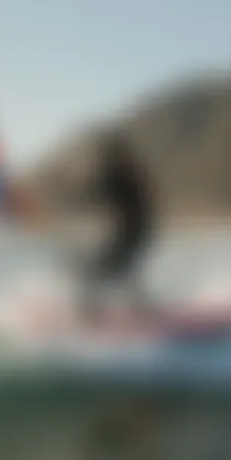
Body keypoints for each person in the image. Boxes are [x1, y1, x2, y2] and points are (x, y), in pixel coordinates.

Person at [61, 129, 156, 324]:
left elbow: (90, 193)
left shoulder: (116, 175)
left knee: (91, 273)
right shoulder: (129, 174)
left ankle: (89, 319)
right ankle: (144, 313)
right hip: (133, 236)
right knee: (118, 274)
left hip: (129, 236)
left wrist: (73, 198)